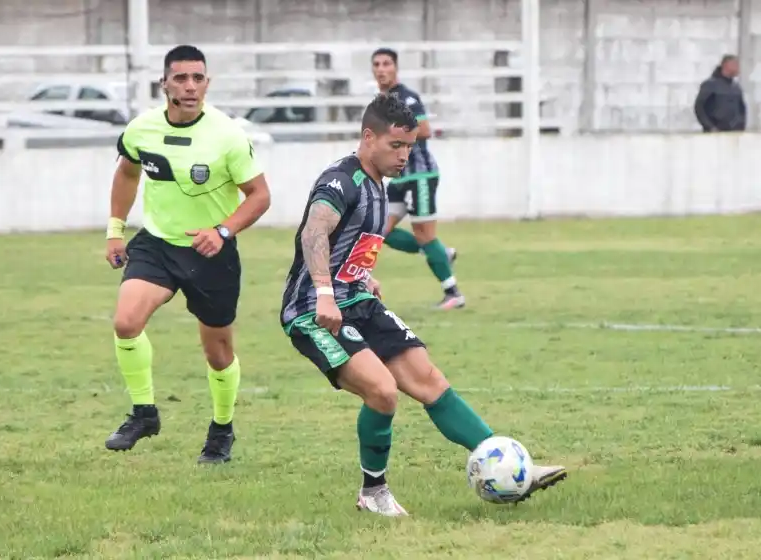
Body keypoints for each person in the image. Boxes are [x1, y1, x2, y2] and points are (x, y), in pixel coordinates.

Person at [279, 92, 566, 516]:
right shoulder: (340, 180)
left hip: (357, 299)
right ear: (368, 137)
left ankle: (505, 463)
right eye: (395, 145)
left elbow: (349, 243)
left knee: (428, 379)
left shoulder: (379, 184)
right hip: (313, 310)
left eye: (409, 146)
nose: (404, 155)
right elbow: (314, 233)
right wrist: (324, 291)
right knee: (382, 391)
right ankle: (373, 493)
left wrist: (362, 275)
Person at [103, 45, 271, 464]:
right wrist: (115, 231)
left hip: (211, 253)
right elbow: (127, 172)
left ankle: (221, 430)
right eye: (180, 78)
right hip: (158, 244)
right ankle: (144, 413)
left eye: (198, 78)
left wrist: (222, 231)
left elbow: (260, 195)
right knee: (126, 322)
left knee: (218, 354)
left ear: (207, 83)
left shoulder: (227, 135)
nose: (190, 86)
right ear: (164, 84)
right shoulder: (141, 130)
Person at [371, 47, 464, 310]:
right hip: (399, 177)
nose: (381, 69)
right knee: (378, 229)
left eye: (386, 64)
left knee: (424, 235)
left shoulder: (406, 97)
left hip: (419, 174)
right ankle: (440, 254)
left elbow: (423, 129)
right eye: (376, 64)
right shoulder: (381, 101)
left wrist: (389, 134)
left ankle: (453, 293)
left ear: (395, 68)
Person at [694, 54, 747, 133]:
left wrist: (741, 126)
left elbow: (742, 110)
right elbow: (699, 108)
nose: (737, 68)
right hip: (715, 133)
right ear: (725, 65)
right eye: (734, 64)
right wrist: (710, 127)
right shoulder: (710, 85)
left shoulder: (736, 88)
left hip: (734, 133)